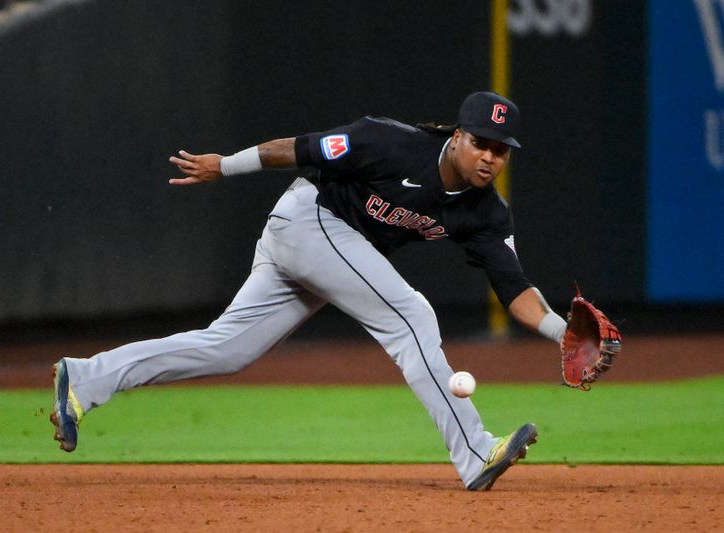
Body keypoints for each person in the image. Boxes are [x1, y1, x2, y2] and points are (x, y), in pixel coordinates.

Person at [51, 91, 569, 491]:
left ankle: (86, 379)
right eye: (481, 142)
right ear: (457, 137)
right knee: (410, 316)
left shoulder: (486, 211)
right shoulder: (389, 142)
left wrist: (565, 334)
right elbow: (293, 149)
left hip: (326, 250)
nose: (490, 157)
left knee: (228, 349)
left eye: (500, 150)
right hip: (309, 220)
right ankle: (476, 452)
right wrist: (222, 166)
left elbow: (514, 287)